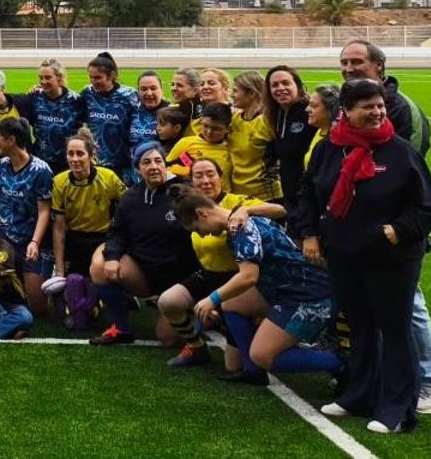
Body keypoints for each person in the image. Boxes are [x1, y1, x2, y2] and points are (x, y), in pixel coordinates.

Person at [297, 77, 431, 434]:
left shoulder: (399, 151)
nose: (377, 113)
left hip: (390, 259)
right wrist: (310, 233)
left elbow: (425, 207)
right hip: (343, 254)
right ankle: (358, 395)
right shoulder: (330, 148)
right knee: (360, 327)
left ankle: (397, 411)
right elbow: (309, 193)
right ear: (346, 112)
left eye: (379, 106)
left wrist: (395, 232)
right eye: (368, 108)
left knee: (394, 331)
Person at [339, 39, 431, 414]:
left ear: (379, 67)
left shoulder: (402, 110)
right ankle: (376, 382)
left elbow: (406, 174)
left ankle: (428, 382)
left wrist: (397, 230)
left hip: (394, 231)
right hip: (358, 233)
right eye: (344, 62)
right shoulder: (343, 109)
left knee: (408, 305)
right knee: (368, 310)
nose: (349, 68)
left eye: (358, 62)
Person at [174, 187, 342, 387]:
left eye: (196, 229)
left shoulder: (240, 229)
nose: (201, 236)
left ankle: (341, 363)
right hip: (286, 288)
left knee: (262, 355)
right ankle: (253, 371)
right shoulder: (239, 220)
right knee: (232, 304)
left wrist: (212, 298)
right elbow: (280, 210)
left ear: (203, 214)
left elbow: (248, 277)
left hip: (310, 297)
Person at [155, 157, 284, 370]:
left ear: (220, 177)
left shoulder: (236, 204)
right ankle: (197, 347)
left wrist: (245, 211)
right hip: (208, 274)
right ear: (191, 183)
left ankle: (248, 325)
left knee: (236, 364)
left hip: (240, 277)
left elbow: (280, 210)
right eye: (199, 175)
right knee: (167, 318)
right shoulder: (190, 211)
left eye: (210, 174)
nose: (205, 180)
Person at [90, 143, 197, 345]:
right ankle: (121, 328)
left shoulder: (185, 193)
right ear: (138, 169)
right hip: (143, 272)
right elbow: (116, 233)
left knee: (169, 339)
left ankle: (199, 311)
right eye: (146, 162)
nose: (154, 166)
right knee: (99, 264)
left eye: (158, 161)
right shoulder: (130, 198)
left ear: (166, 165)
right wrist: (112, 258)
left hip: (179, 278)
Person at [0, 117, 51, 315]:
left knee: (37, 309)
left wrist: (35, 242)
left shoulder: (41, 170)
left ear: (11, 139)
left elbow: (44, 211)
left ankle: (11, 286)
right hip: (4, 235)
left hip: (30, 240)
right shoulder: (1, 164)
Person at [49, 132, 125, 329]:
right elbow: (58, 227)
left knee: (95, 281)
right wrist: (59, 268)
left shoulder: (108, 178)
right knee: (71, 285)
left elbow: (129, 208)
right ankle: (85, 305)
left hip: (102, 240)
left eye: (80, 154)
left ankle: (109, 297)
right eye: (70, 154)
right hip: (74, 240)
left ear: (91, 156)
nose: (74, 159)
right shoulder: (59, 182)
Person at [263, 65, 317, 203]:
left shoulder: (310, 112)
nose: (280, 88)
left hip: (310, 195)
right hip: (289, 193)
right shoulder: (276, 113)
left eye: (286, 83)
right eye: (275, 85)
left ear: (298, 86)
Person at [19, 59, 83, 174]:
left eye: (48, 77)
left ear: (59, 77)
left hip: (67, 162)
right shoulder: (34, 97)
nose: (43, 81)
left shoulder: (75, 100)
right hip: (40, 161)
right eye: (41, 78)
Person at [82, 52, 138, 184]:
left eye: (98, 78)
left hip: (122, 164)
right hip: (95, 164)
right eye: (91, 77)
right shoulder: (87, 94)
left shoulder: (129, 95)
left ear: (111, 76)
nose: (93, 82)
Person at [226, 70, 279, 201]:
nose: (231, 95)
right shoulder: (234, 118)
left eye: (235, 91)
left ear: (252, 94)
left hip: (265, 196)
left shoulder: (267, 121)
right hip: (237, 195)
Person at [165, 102, 233, 178]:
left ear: (228, 129)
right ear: (201, 121)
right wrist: (188, 171)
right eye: (205, 126)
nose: (209, 132)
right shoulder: (186, 143)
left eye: (216, 129)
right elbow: (165, 168)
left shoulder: (232, 148)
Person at [127, 71, 168, 164]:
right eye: (144, 89)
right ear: (138, 91)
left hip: (161, 171)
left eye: (153, 88)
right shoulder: (131, 111)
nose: (149, 93)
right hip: (134, 173)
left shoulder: (172, 113)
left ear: (161, 89)